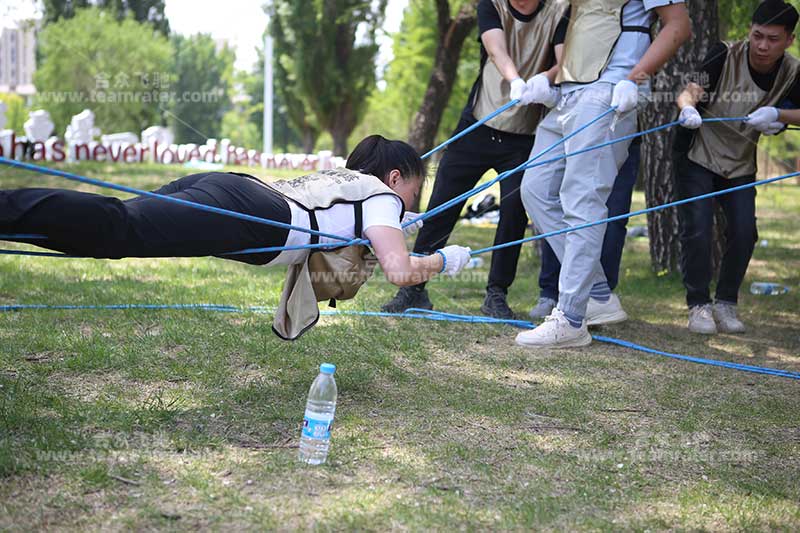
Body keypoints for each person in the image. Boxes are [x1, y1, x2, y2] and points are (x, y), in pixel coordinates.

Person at [0, 135, 473, 339]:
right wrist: (444, 261)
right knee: (119, 229)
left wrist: (397, 226)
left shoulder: (351, 183)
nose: (411, 203)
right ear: (395, 178)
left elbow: (350, 242)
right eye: (414, 192)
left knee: (120, 224)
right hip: (249, 214)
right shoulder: (382, 198)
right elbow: (398, 271)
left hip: (236, 189)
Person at [517, 0, 691, 348]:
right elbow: (585, 33)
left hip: (609, 93)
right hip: (567, 95)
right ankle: (596, 293)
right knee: (534, 189)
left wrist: (633, 79)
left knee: (582, 199)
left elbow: (678, 25)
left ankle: (571, 319)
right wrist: (549, 78)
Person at [382, 0, 568, 319]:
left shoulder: (559, 10)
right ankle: (414, 290)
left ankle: (496, 295)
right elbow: (496, 50)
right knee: (443, 202)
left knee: (513, 213)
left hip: (524, 135)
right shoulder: (491, 4)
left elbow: (565, 62)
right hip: (478, 125)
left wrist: (544, 80)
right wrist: (516, 80)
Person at [673, 0, 800, 335]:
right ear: (749, 31)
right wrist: (688, 109)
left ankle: (726, 302)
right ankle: (698, 305)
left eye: (773, 39)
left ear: (789, 39)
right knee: (698, 227)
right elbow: (688, 91)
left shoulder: (793, 71)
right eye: (757, 35)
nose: (762, 45)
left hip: (740, 160)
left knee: (745, 231)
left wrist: (779, 116)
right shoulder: (722, 53)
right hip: (697, 153)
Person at [530, 138, 640, 324]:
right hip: (573, 135)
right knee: (560, 210)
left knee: (612, 219)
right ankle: (552, 292)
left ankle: (599, 298)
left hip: (620, 135)